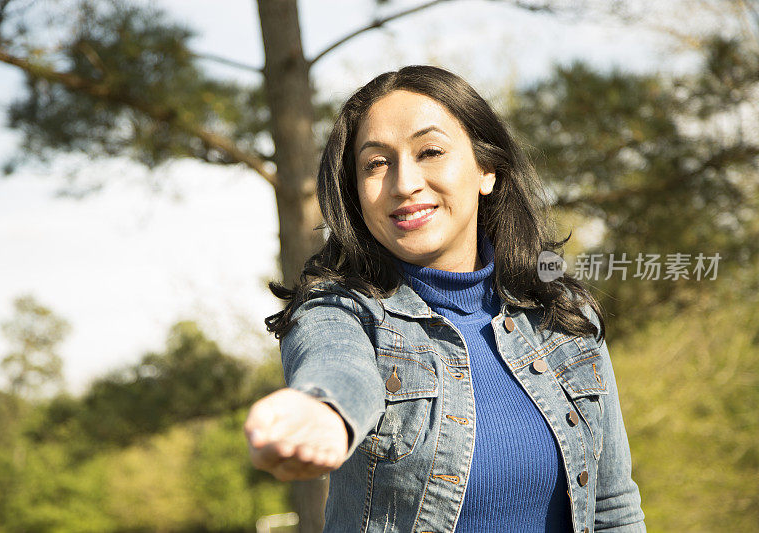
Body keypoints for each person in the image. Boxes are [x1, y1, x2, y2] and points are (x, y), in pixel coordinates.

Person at [244, 65, 646, 532]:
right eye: (376, 163)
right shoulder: (339, 312)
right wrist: (324, 412)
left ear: (487, 169)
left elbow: (613, 508)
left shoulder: (564, 317)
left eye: (430, 151)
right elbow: (335, 368)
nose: (404, 183)